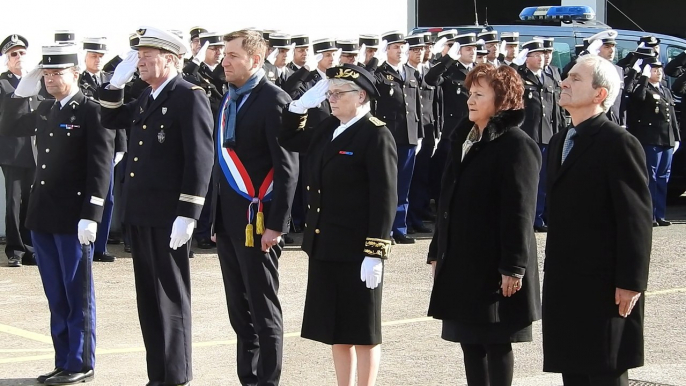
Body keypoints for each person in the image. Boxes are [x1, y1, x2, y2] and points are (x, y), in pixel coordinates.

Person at [99, 27, 214, 386]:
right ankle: (159, 375)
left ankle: (177, 376)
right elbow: (111, 118)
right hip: (142, 214)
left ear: (171, 58)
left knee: (171, 297)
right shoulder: (149, 96)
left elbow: (201, 157)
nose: (141, 61)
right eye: (139, 54)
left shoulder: (188, 95)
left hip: (169, 216)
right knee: (149, 299)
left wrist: (189, 212)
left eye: (148, 54)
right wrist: (115, 85)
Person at [0, 43, 114, 385]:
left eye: (57, 73)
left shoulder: (91, 110)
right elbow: (10, 126)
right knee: (56, 294)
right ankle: (63, 360)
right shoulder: (46, 108)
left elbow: (100, 167)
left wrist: (92, 214)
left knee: (77, 293)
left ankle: (81, 363)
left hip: (74, 217)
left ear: (75, 73)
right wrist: (22, 91)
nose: (50, 79)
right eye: (46, 73)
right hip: (44, 216)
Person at [278, 63, 397, 386]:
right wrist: (299, 106)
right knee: (336, 328)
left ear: (360, 96)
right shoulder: (329, 127)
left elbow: (384, 198)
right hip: (325, 244)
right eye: (329, 93)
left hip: (358, 250)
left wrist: (376, 251)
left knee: (363, 328)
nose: (331, 99)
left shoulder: (375, 134)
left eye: (337, 93)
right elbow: (288, 137)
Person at [427, 63, 541, 386]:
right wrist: (437, 251)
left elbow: (520, 211)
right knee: (469, 340)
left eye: (479, 94)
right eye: (469, 94)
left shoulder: (517, 145)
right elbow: (447, 199)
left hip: (495, 264)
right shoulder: (463, 138)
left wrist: (514, 266)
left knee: (495, 340)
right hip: (463, 260)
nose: (470, 100)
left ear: (502, 100)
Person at [543, 54, 653, 386]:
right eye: (567, 76)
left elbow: (635, 218)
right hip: (565, 281)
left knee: (604, 370)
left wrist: (631, 282)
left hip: (603, 284)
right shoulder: (561, 140)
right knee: (573, 370)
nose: (564, 82)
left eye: (576, 79)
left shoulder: (618, 143)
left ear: (599, 94)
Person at [212, 29, 298, 386]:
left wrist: (277, 225)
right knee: (239, 310)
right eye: (224, 55)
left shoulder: (273, 100)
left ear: (255, 60)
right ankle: (247, 378)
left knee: (263, 307)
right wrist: (216, 220)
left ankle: (268, 380)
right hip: (230, 222)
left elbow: (287, 168)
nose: (224, 61)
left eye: (232, 55)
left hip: (258, 222)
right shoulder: (229, 98)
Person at [368, 31, 421, 245]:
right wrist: (373, 61)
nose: (400, 50)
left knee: (403, 186)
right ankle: (384, 228)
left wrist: (420, 135)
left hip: (408, 135)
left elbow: (415, 105)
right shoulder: (380, 72)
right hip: (388, 136)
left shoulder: (410, 72)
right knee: (386, 184)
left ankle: (400, 227)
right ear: (386, 50)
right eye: (395, 47)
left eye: (402, 47)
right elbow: (367, 82)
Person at [78, 37, 127, 263]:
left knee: (107, 199)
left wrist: (121, 146)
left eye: (100, 56)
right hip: (84, 146)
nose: (97, 60)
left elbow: (119, 114)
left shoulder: (110, 80)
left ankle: (100, 247)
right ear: (85, 56)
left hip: (108, 146)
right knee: (86, 198)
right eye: (93, 56)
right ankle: (84, 244)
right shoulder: (78, 80)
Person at [517, 39, 565, 233]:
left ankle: (540, 216)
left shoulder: (550, 75)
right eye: (537, 54)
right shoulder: (520, 75)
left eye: (544, 54)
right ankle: (528, 216)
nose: (542, 57)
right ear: (527, 57)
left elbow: (555, 107)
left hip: (547, 133)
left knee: (545, 178)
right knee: (528, 178)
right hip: (528, 134)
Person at [629, 57, 680, 226]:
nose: (658, 73)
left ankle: (660, 214)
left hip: (667, 139)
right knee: (651, 177)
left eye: (660, 70)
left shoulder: (665, 90)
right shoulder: (644, 88)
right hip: (651, 139)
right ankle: (649, 214)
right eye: (654, 70)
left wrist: (677, 137)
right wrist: (643, 78)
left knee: (663, 177)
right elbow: (638, 97)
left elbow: (671, 117)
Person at [0, 34, 36, 267]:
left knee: (31, 201)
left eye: (22, 52)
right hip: (11, 151)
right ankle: (14, 249)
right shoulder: (2, 83)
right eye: (14, 53)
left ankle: (30, 247)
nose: (19, 57)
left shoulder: (35, 81)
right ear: (6, 59)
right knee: (13, 202)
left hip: (34, 151)